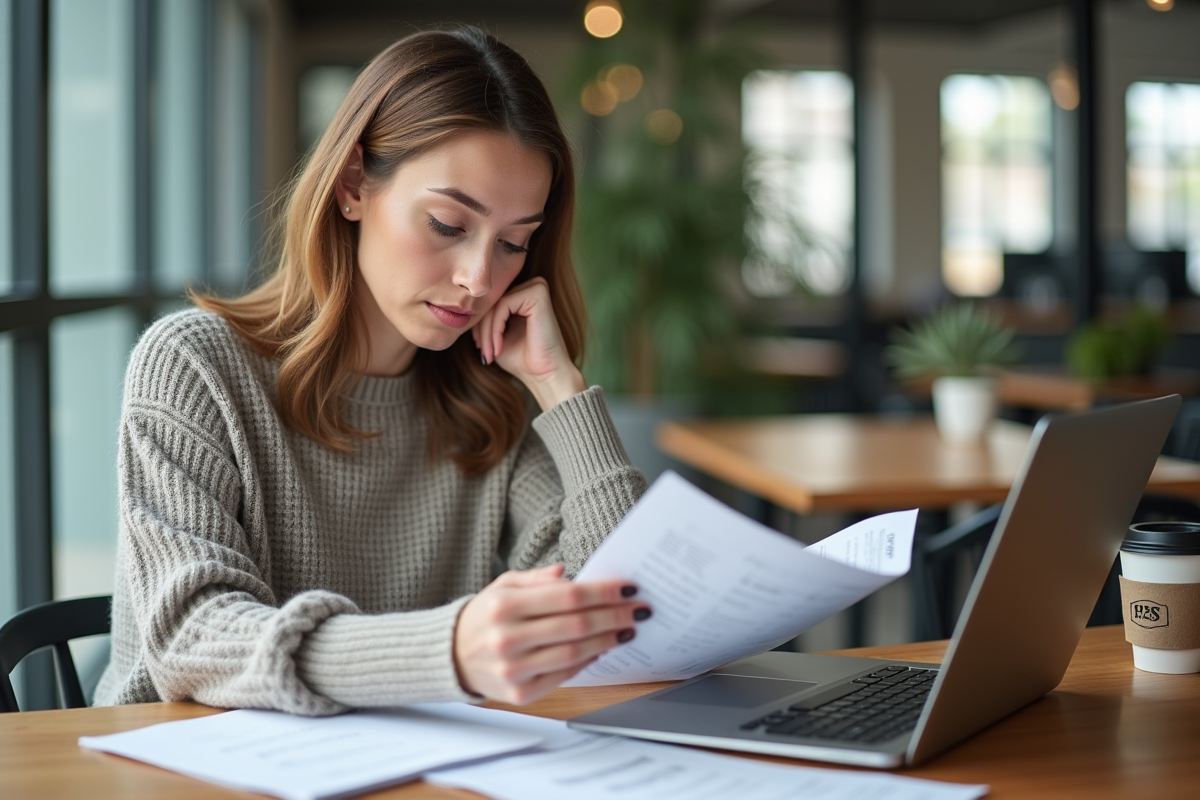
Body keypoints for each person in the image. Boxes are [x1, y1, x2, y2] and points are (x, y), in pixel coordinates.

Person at [94, 26, 650, 715]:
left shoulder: (490, 401)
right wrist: (445, 651)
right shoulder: (194, 367)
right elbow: (192, 637)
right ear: (353, 184)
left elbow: (619, 614)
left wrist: (559, 388)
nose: (479, 279)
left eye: (513, 243)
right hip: (166, 759)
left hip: (411, 763)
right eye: (448, 224)